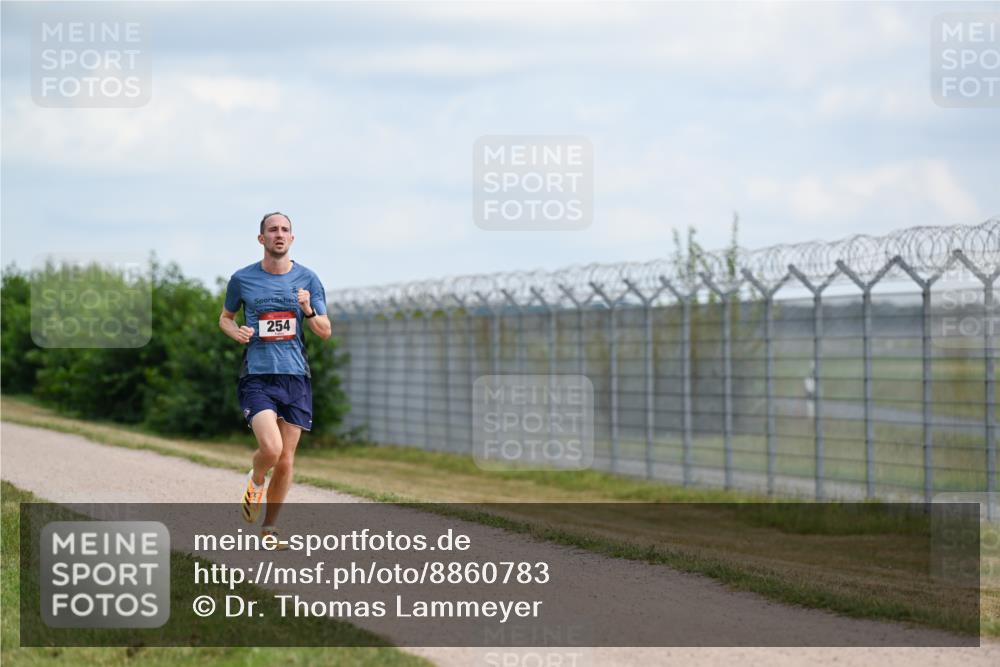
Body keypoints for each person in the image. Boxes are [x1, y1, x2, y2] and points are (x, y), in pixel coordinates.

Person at [219, 211, 331, 542]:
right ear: (261, 239)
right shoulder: (243, 279)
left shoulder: (308, 280)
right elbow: (224, 318)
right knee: (270, 449)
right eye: (272, 230)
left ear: (292, 239)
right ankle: (255, 480)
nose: (279, 234)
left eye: (285, 230)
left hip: (295, 376)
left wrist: (308, 309)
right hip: (258, 375)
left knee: (285, 460)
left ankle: (270, 527)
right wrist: (234, 331)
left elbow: (325, 331)